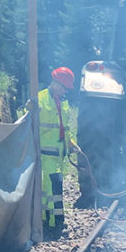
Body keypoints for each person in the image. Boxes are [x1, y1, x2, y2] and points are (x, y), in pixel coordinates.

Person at [38, 66, 77, 238]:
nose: (64, 91)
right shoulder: (40, 100)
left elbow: (64, 128)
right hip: (45, 154)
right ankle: (53, 224)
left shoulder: (63, 101)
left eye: (66, 89)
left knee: (52, 189)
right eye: (63, 87)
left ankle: (52, 222)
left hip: (58, 155)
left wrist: (71, 144)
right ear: (54, 83)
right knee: (52, 187)